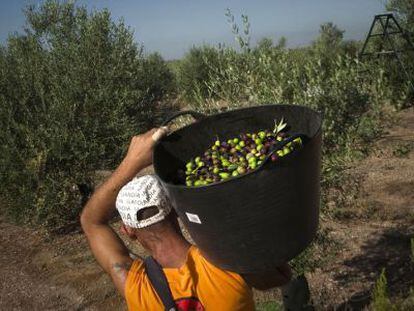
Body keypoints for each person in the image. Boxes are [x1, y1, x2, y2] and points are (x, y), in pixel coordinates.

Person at [81, 127, 292, 311]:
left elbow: (91, 221)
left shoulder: (134, 284)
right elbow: (282, 274)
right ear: (176, 209)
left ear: (128, 231)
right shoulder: (226, 261)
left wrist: (132, 161)